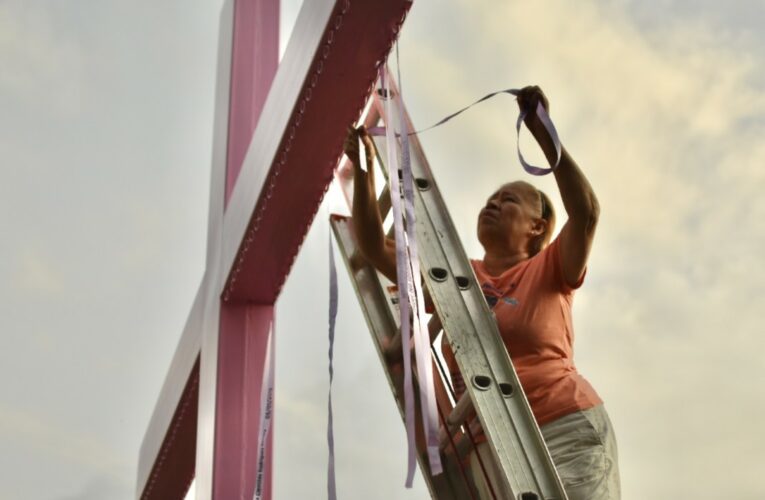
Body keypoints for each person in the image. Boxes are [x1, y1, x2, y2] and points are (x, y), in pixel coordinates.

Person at [344, 86, 620, 500]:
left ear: (537, 228)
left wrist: (542, 134)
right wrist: (364, 169)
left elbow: (587, 212)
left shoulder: (549, 268)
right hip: (491, 442)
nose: (492, 204)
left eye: (508, 201)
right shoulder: (455, 277)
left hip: (563, 424)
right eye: (489, 200)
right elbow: (371, 243)